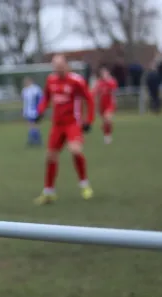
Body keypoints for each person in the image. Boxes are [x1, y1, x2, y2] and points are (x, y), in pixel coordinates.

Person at [34, 54, 95, 205]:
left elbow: (89, 98)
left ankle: (84, 185)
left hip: (72, 123)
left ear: (66, 66)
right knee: (50, 157)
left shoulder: (76, 81)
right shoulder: (51, 80)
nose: (58, 69)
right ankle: (49, 192)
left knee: (75, 150)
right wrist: (40, 111)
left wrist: (89, 120)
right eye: (55, 66)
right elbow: (46, 98)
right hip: (57, 124)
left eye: (60, 66)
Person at [93, 65, 118, 144]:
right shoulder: (99, 83)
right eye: (102, 73)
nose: (104, 75)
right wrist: (96, 105)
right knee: (105, 122)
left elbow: (114, 92)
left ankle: (108, 135)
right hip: (102, 105)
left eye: (105, 73)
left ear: (108, 73)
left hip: (109, 104)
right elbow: (95, 94)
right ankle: (107, 135)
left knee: (108, 119)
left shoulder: (111, 81)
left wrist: (115, 102)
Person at [21, 77, 43, 146]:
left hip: (35, 111)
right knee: (30, 126)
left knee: (35, 126)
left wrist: (40, 110)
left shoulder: (36, 89)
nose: (25, 83)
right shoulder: (24, 90)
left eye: (27, 81)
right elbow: (24, 102)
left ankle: (37, 141)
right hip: (28, 112)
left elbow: (41, 99)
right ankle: (32, 141)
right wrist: (24, 111)